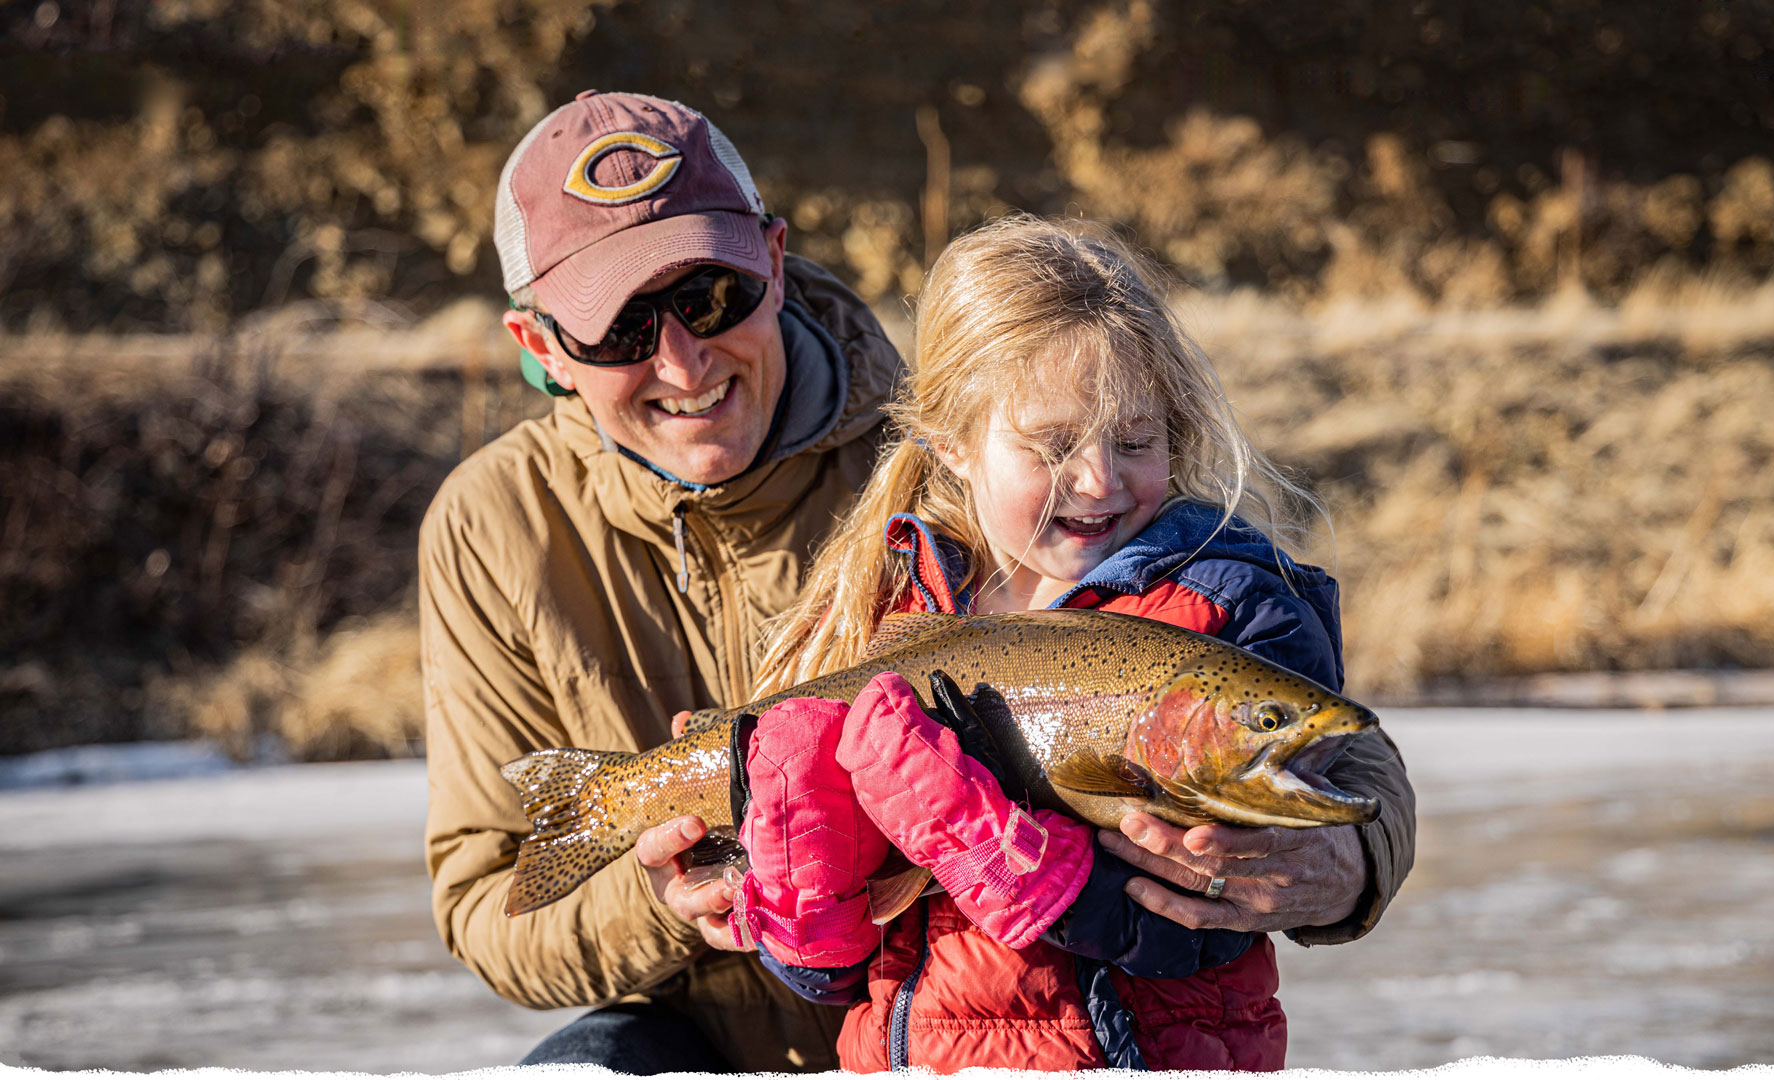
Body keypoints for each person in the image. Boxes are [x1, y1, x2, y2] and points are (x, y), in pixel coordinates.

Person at [725, 216, 1417, 1070]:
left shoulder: (1229, 608)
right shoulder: (878, 611)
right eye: (1051, 447)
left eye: (1135, 441)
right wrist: (797, 925)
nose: (1098, 479)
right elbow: (838, 963)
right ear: (953, 446)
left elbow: (1216, 912)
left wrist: (1036, 881)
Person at [418, 90, 906, 1072]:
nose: (684, 363)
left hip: (934, 999)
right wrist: (656, 903)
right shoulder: (492, 528)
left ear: (771, 261)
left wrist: (1308, 880)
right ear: (541, 349)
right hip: (688, 1030)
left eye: (707, 296)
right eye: (621, 327)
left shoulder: (947, 459)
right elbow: (488, 903)